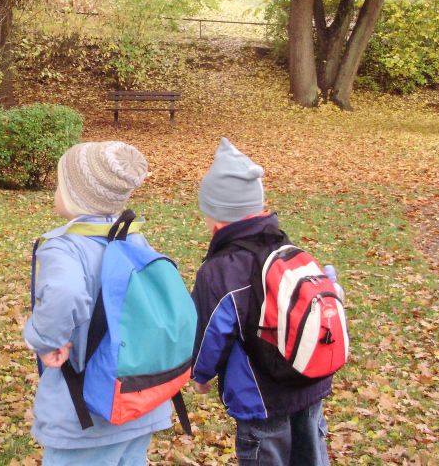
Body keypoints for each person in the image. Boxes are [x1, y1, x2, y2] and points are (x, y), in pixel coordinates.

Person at [23, 141, 172, 465]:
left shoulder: (65, 247)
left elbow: (65, 293)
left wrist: (45, 341)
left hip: (86, 412)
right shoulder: (134, 237)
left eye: (60, 184)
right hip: (138, 398)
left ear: (77, 195)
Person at [190, 138, 332, 465]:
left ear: (219, 219)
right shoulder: (287, 250)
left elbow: (211, 332)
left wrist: (201, 374)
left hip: (260, 399)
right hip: (309, 384)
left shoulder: (219, 271)